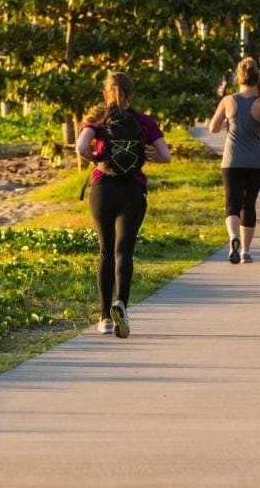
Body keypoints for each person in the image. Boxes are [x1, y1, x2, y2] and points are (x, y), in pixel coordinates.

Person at [76, 70, 171, 339]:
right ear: (131, 95)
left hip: (103, 189)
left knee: (106, 251)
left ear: (105, 93)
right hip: (132, 191)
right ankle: (122, 305)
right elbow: (166, 156)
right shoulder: (143, 121)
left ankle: (105, 317)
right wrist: (144, 156)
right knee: (124, 252)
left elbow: (80, 148)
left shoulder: (97, 118)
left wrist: (98, 157)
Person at [209, 57, 260, 263]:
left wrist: (227, 123)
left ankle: (234, 237)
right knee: (248, 204)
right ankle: (246, 251)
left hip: (232, 161)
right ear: (257, 79)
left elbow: (212, 128)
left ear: (238, 77)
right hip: (255, 162)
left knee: (232, 203)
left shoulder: (228, 101)